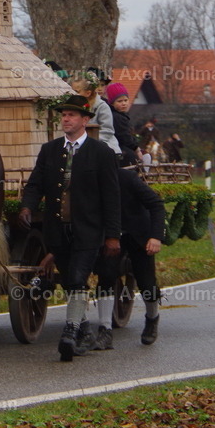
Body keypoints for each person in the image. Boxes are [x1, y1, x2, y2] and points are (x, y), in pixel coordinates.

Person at [18, 95, 121, 361]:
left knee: (77, 278)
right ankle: (85, 330)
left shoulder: (101, 153)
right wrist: (27, 207)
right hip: (57, 231)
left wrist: (112, 236)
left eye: (71, 115)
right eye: (63, 115)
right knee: (68, 281)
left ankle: (70, 332)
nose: (65, 119)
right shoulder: (50, 150)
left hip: (89, 231)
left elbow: (112, 197)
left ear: (85, 120)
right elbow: (35, 184)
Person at [93, 161, 166, 348]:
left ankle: (152, 318)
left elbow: (157, 205)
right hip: (109, 236)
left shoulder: (128, 178)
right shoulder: (88, 181)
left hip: (137, 234)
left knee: (146, 282)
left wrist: (155, 237)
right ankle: (105, 330)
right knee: (106, 276)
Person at [69, 75, 120, 157]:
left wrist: (87, 141)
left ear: (88, 93)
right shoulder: (75, 107)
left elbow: (108, 131)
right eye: (72, 91)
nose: (73, 94)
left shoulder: (102, 106)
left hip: (105, 148)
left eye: (77, 91)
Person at [105, 82, 142, 166]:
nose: (124, 103)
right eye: (119, 101)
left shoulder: (122, 115)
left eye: (126, 100)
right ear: (112, 103)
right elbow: (124, 136)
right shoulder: (117, 117)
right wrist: (136, 148)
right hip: (119, 147)